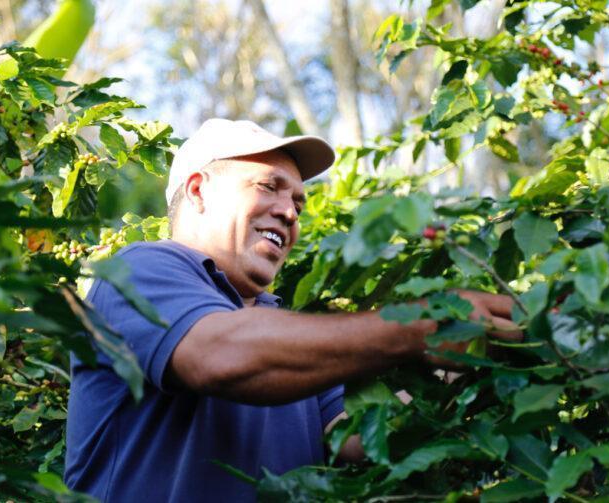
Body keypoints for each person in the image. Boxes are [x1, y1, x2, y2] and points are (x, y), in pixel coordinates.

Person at [64, 119, 521, 502]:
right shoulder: (138, 272)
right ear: (199, 191)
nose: (289, 213)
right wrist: (414, 327)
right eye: (269, 186)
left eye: (298, 203)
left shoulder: (284, 332)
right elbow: (222, 356)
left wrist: (468, 359)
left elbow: (356, 437)